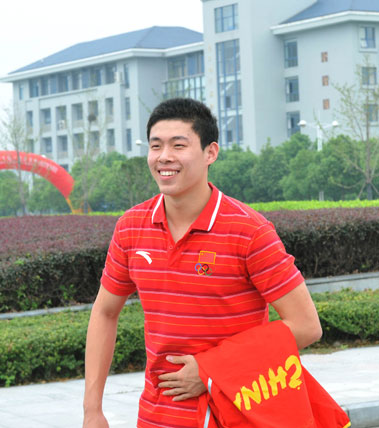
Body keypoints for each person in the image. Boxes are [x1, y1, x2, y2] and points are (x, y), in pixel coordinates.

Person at [83, 98, 322, 428]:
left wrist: (213, 369)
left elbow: (307, 326)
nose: (164, 156)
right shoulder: (131, 227)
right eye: (156, 146)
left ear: (211, 152)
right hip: (156, 417)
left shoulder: (249, 231)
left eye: (178, 145)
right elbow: (105, 312)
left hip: (235, 414)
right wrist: (92, 410)